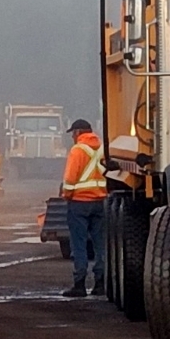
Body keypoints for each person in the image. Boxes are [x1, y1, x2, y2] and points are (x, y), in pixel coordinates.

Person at [60, 118, 108, 297]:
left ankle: (79, 285)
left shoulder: (77, 150)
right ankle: (100, 284)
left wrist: (66, 195)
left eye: (73, 133)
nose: (72, 136)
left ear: (79, 132)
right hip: (100, 202)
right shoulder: (103, 148)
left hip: (79, 203)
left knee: (79, 245)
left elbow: (71, 178)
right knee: (100, 245)